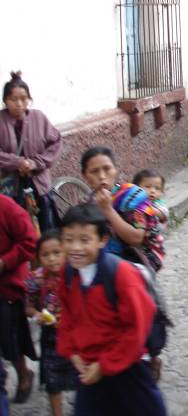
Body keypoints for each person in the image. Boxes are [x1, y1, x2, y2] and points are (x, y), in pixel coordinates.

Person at [56, 203, 167, 416]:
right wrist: (72, 352)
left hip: (129, 367)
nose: (75, 248)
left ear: (103, 240)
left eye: (84, 240)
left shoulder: (122, 275)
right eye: (68, 240)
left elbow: (137, 329)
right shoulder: (69, 274)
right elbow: (68, 317)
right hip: (89, 365)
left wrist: (105, 364)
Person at [80, 147, 165, 272]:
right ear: (85, 176)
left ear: (115, 170)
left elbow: (136, 238)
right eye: (94, 171)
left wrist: (107, 209)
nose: (102, 176)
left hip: (139, 259)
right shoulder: (87, 203)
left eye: (107, 169)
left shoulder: (133, 194)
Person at [25, 230, 79, 416]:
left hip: (76, 335)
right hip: (51, 337)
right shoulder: (36, 279)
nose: (52, 259)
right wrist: (37, 315)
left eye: (57, 253)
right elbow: (28, 307)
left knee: (81, 374)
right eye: (45, 255)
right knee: (52, 378)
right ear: (38, 257)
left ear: (65, 251)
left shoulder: (76, 274)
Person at [0, 72, 62, 232]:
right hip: (11, 188)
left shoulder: (39, 118)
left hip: (39, 185)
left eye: (24, 99)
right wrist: (17, 163)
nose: (19, 104)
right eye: (14, 99)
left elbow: (55, 142)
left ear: (29, 99)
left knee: (46, 228)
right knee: (18, 229)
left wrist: (35, 163)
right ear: (5, 100)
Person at [0, 194, 37, 407]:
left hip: (7, 288)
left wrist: (4, 262)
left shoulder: (5, 206)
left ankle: (23, 374)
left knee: (11, 338)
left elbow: (29, 241)